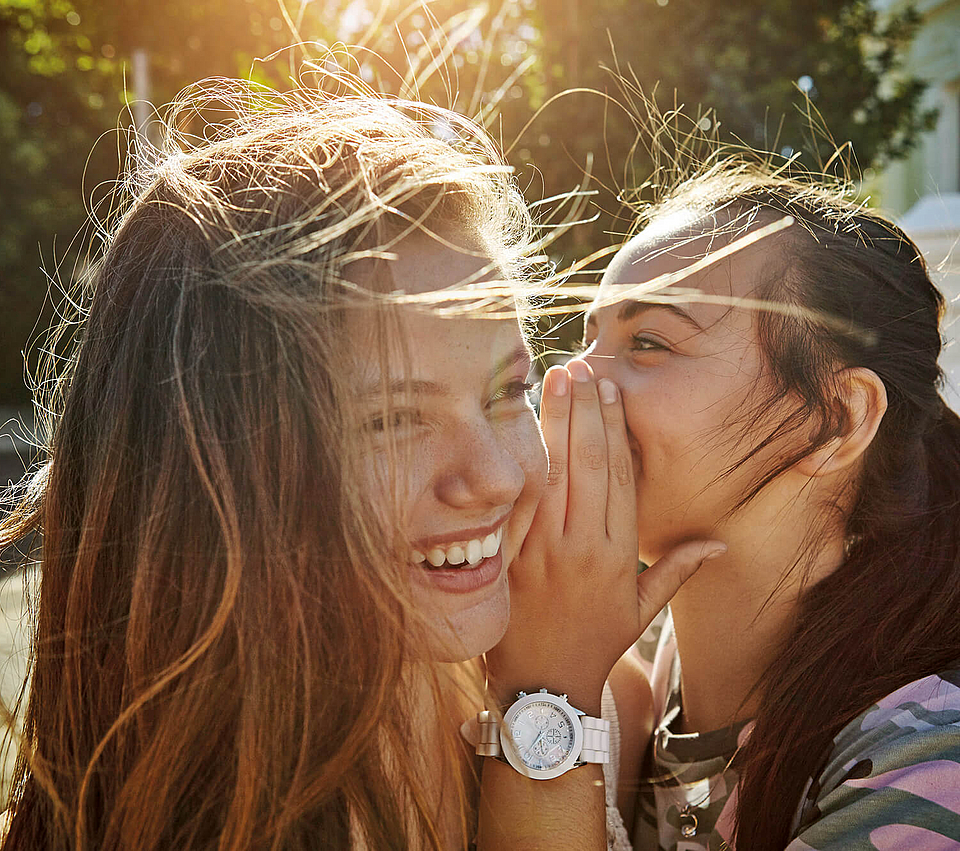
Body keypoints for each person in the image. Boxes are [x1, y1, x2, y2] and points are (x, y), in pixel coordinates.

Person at [0, 77, 717, 850]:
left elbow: (628, 707)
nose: (498, 477)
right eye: (395, 420)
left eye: (507, 390)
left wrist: (556, 684)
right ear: (217, 471)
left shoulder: (542, 678)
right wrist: (553, 711)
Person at [574, 162, 960, 849]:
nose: (568, 378)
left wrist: (543, 704)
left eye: (649, 342)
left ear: (838, 418)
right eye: (587, 337)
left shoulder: (927, 769)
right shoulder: (635, 682)